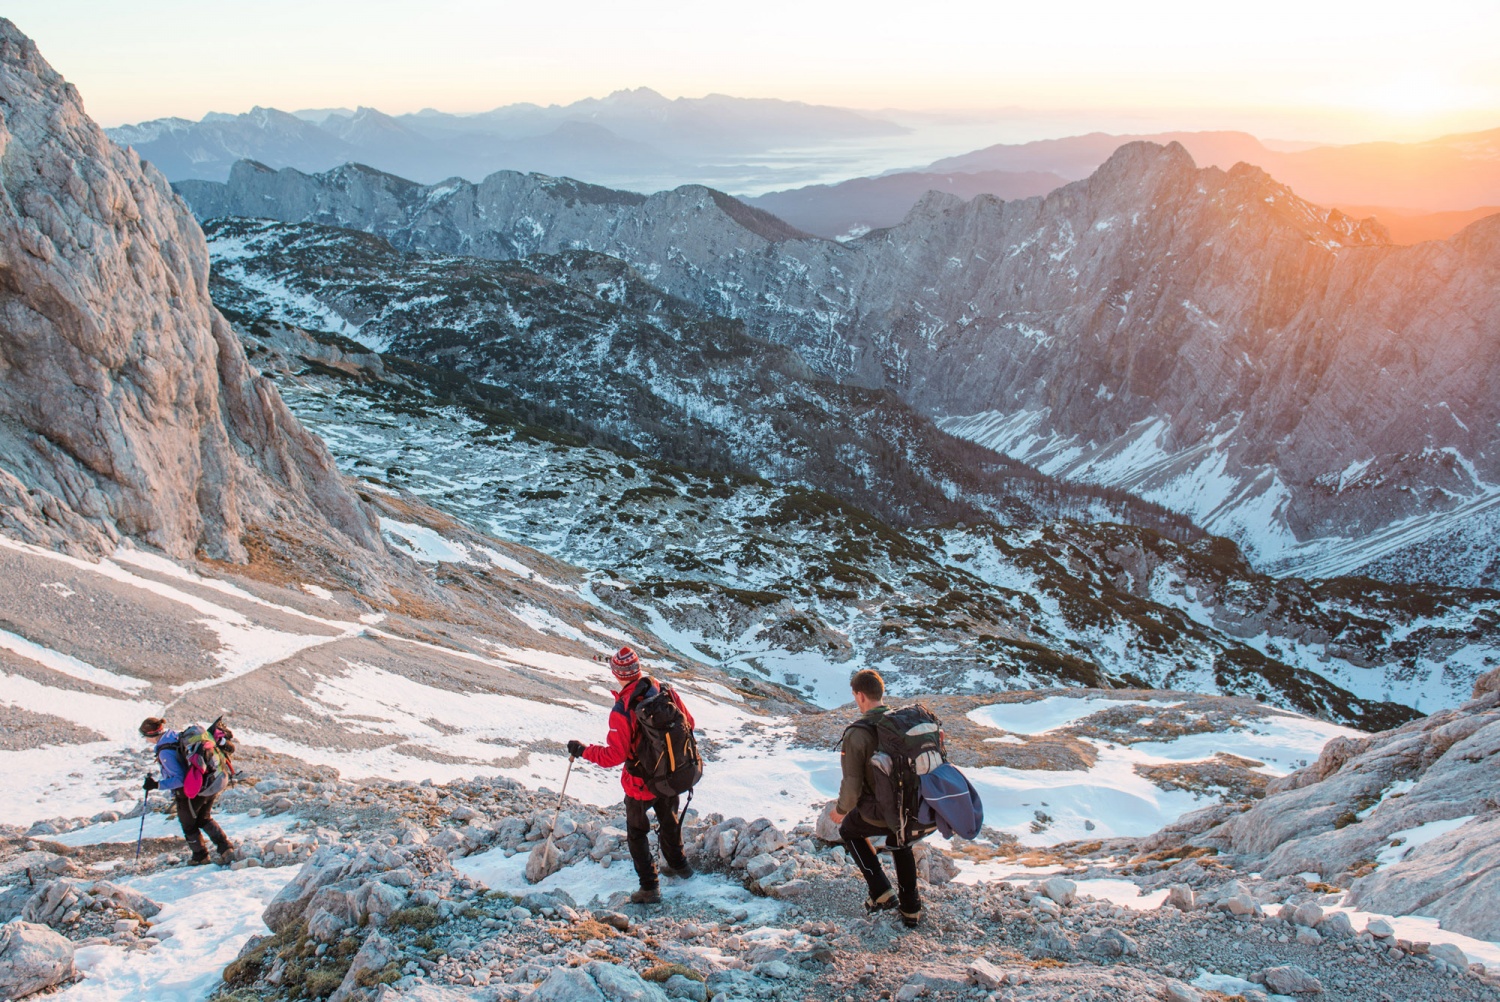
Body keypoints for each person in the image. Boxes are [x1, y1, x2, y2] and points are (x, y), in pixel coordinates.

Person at [568, 647, 695, 904]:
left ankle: (649, 887)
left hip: (639, 782)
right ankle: (679, 866)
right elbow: (689, 723)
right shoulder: (663, 690)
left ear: (617, 674)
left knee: (637, 833)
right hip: (669, 775)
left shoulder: (623, 709)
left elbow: (614, 756)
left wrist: (583, 751)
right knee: (669, 821)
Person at [829, 669, 923, 927]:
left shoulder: (858, 733)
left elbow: (852, 784)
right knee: (900, 838)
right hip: (912, 807)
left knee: (849, 830)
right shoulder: (902, 723)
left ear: (860, 696)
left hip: (881, 811)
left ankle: (881, 891)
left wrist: (840, 810)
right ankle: (911, 908)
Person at [141, 717, 234, 865]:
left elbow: (180, 779)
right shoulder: (173, 736)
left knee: (188, 824)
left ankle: (200, 856)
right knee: (204, 818)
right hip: (210, 780)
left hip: (191, 791)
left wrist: (156, 785)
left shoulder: (164, 752)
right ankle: (226, 849)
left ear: (150, 734)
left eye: (144, 736)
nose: (145, 740)